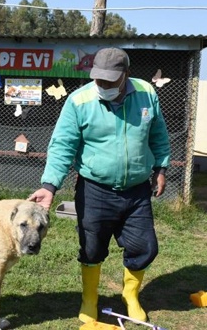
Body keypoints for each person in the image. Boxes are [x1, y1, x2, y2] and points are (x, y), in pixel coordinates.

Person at [28, 47, 171, 323]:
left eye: (109, 80)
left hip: (137, 190)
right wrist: (49, 185)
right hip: (95, 190)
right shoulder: (79, 101)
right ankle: (89, 299)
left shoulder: (146, 94)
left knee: (145, 246)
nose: (102, 85)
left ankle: (130, 295)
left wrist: (161, 168)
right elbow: (62, 146)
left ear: (125, 75)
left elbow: (158, 134)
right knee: (92, 248)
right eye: (98, 79)